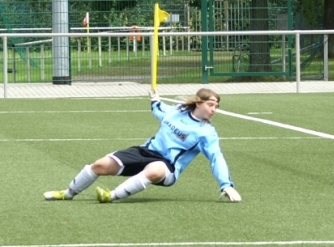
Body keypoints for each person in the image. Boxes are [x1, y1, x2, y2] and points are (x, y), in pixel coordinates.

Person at [44, 87, 242, 203]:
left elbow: (217, 158)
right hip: (145, 151)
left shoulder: (207, 133)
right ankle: (68, 193)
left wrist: (227, 185)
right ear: (199, 103)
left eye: (216, 106)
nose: (214, 109)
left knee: (154, 170)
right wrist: (155, 101)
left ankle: (110, 196)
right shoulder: (177, 111)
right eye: (211, 104)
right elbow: (160, 111)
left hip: (168, 167)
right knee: (99, 165)